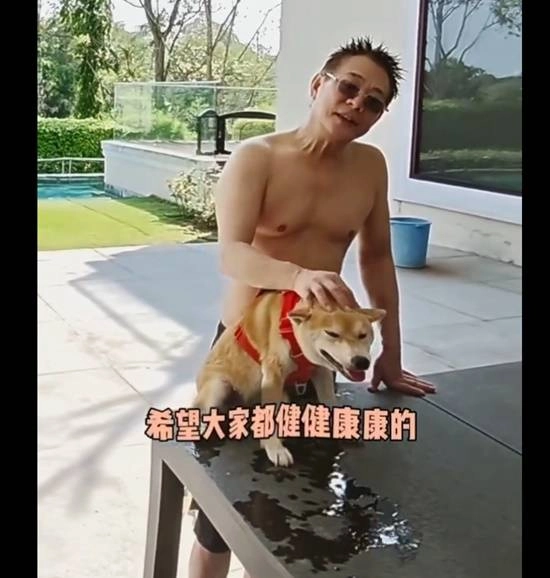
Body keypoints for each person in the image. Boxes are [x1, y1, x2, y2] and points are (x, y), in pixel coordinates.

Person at [187, 36, 436, 578]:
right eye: (349, 87)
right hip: (247, 351)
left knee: (296, 505)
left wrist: (390, 353)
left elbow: (376, 258)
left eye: (373, 102)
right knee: (218, 515)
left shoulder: (369, 167)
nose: (356, 104)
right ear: (318, 84)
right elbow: (231, 253)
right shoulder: (258, 158)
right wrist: (297, 276)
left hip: (317, 356)